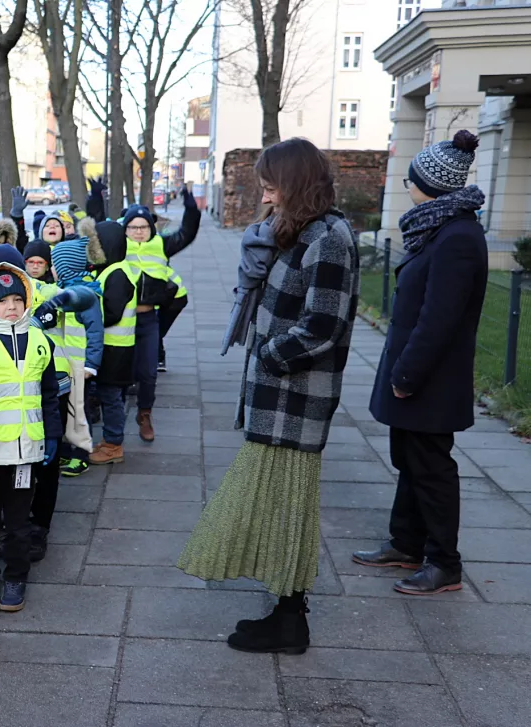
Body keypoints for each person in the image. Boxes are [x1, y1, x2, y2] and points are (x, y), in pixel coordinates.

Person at [177, 138, 360, 655]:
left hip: (297, 396)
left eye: (271, 182)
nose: (264, 190)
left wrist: (270, 356)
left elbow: (323, 324)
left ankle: (290, 620)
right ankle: (285, 614)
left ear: (295, 181)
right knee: (284, 507)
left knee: (288, 507)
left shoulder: (330, 236)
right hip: (279, 394)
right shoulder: (302, 230)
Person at [354, 130, 488, 596]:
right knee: (410, 460)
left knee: (431, 467)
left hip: (431, 377)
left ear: (427, 184)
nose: (406, 184)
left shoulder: (457, 237)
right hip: (419, 371)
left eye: (411, 177)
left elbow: (440, 319)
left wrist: (407, 375)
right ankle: (407, 542)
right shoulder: (440, 226)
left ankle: (443, 564)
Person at [0, 245, 62, 612]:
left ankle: (16, 577)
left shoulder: (40, 341)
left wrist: (52, 434)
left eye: (17, 299)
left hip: (27, 450)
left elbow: (50, 393)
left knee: (19, 522)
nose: (11, 307)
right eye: (2, 300)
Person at [121, 190, 200, 441]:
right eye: (133, 227)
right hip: (122, 321)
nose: (139, 231)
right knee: (122, 371)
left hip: (148, 319)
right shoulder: (117, 246)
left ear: (151, 227)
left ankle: (145, 414)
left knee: (149, 372)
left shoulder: (161, 244)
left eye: (144, 226)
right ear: (125, 228)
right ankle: (114, 419)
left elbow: (186, 234)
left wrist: (192, 210)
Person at [40, 233, 105, 484]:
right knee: (69, 410)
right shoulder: (70, 291)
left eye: (56, 265)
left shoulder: (84, 295)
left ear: (65, 267)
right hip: (69, 366)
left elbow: (95, 332)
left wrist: (91, 365)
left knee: (79, 412)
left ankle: (82, 454)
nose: (53, 270)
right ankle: (72, 451)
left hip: (80, 367)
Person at [88, 220, 137, 465]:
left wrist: (86, 317)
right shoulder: (112, 269)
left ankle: (113, 444)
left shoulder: (117, 273)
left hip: (115, 349)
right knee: (109, 396)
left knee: (111, 398)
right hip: (115, 348)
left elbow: (112, 313)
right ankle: (110, 440)